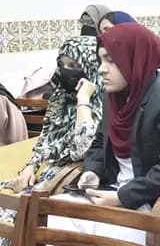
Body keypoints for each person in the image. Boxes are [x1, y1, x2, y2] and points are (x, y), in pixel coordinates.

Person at [63, 23, 160, 245]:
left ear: (134, 59)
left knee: (106, 233)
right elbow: (100, 142)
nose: (102, 69)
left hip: (150, 200)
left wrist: (123, 197)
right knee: (55, 216)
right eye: (100, 60)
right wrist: (93, 171)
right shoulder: (113, 97)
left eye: (111, 60)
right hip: (110, 191)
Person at [0, 36, 103, 246]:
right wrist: (29, 168)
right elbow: (45, 140)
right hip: (45, 175)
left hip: (72, 181)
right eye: (61, 64)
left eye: (73, 65)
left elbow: (82, 149)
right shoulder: (60, 98)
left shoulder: (102, 104)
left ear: (90, 67)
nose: (65, 71)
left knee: (13, 220)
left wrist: (84, 100)